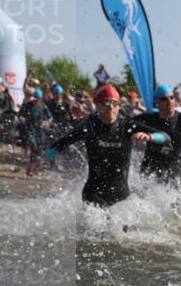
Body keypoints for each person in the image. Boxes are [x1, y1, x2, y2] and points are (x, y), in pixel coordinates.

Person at [28, 84, 170, 207]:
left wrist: (150, 137)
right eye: (106, 103)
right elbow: (63, 142)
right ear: (98, 106)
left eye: (114, 103)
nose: (110, 107)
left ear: (119, 106)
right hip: (93, 193)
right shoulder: (89, 126)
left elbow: (165, 137)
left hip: (122, 197)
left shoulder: (127, 126)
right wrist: (43, 158)